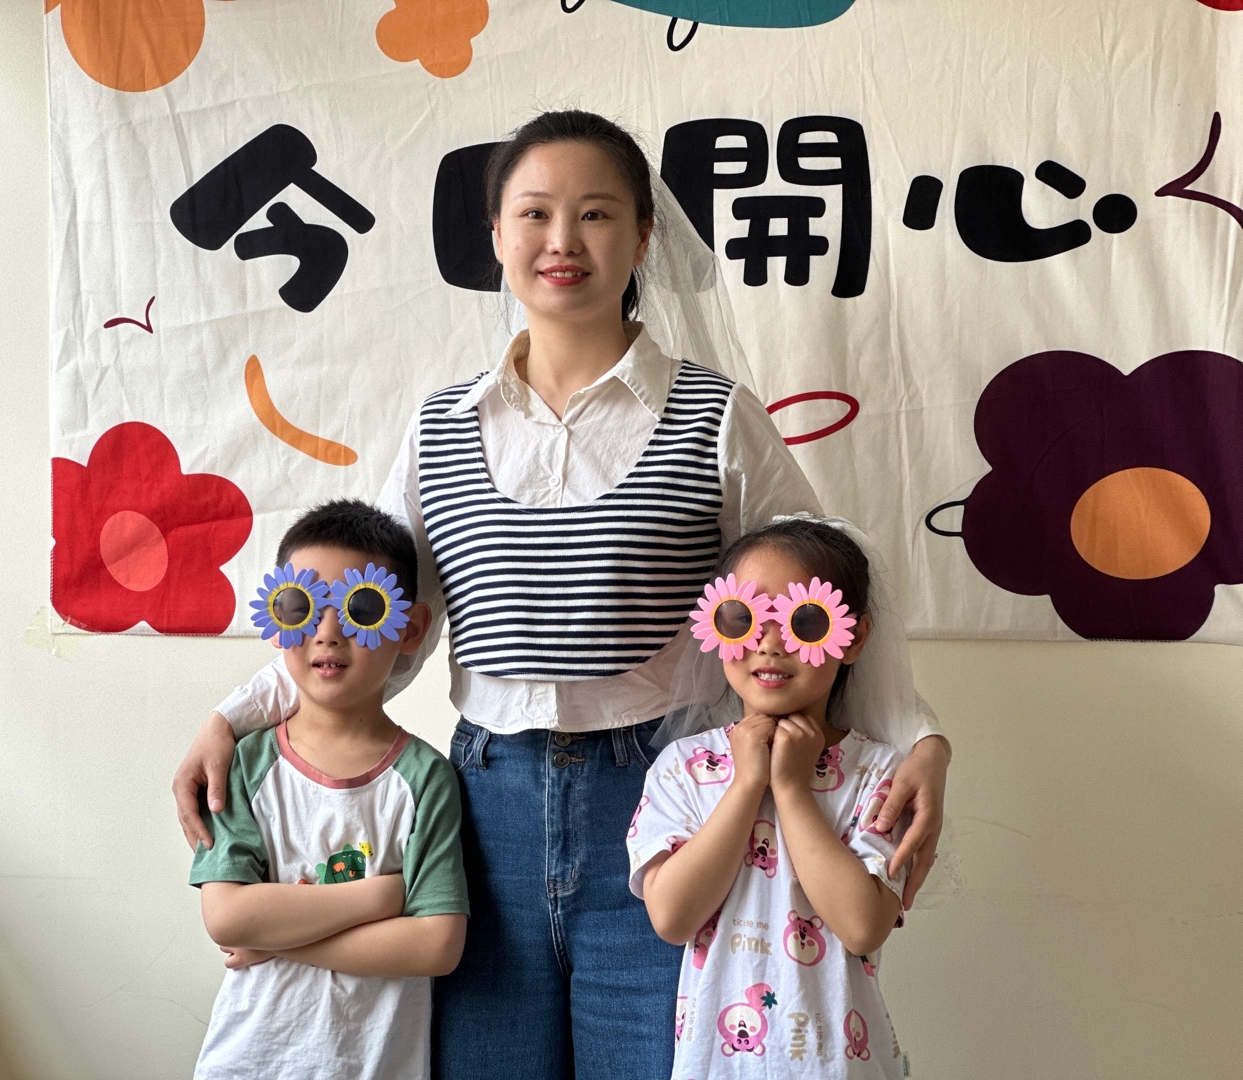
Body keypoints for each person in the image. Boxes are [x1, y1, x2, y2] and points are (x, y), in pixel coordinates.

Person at [173, 110, 950, 1080]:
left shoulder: (714, 417)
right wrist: (235, 715)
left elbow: (817, 598)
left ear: (645, 236)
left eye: (596, 213)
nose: (563, 240)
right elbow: (371, 618)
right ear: (496, 235)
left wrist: (923, 741)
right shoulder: (440, 426)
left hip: (671, 803)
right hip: (479, 807)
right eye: (535, 213)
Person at [188, 500, 468, 1080]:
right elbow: (228, 916)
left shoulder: (426, 779)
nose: (327, 632)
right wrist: (384, 897)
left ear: (411, 629)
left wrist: (277, 940)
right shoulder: (246, 765)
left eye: (362, 608)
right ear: (276, 618)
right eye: (302, 607)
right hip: (249, 1063)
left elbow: (436, 946)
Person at [631, 517, 911, 1077]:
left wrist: (790, 788)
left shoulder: (880, 773)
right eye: (744, 617)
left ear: (853, 638)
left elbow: (862, 925)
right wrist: (745, 784)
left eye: (804, 621)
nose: (769, 641)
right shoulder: (683, 768)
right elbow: (672, 918)